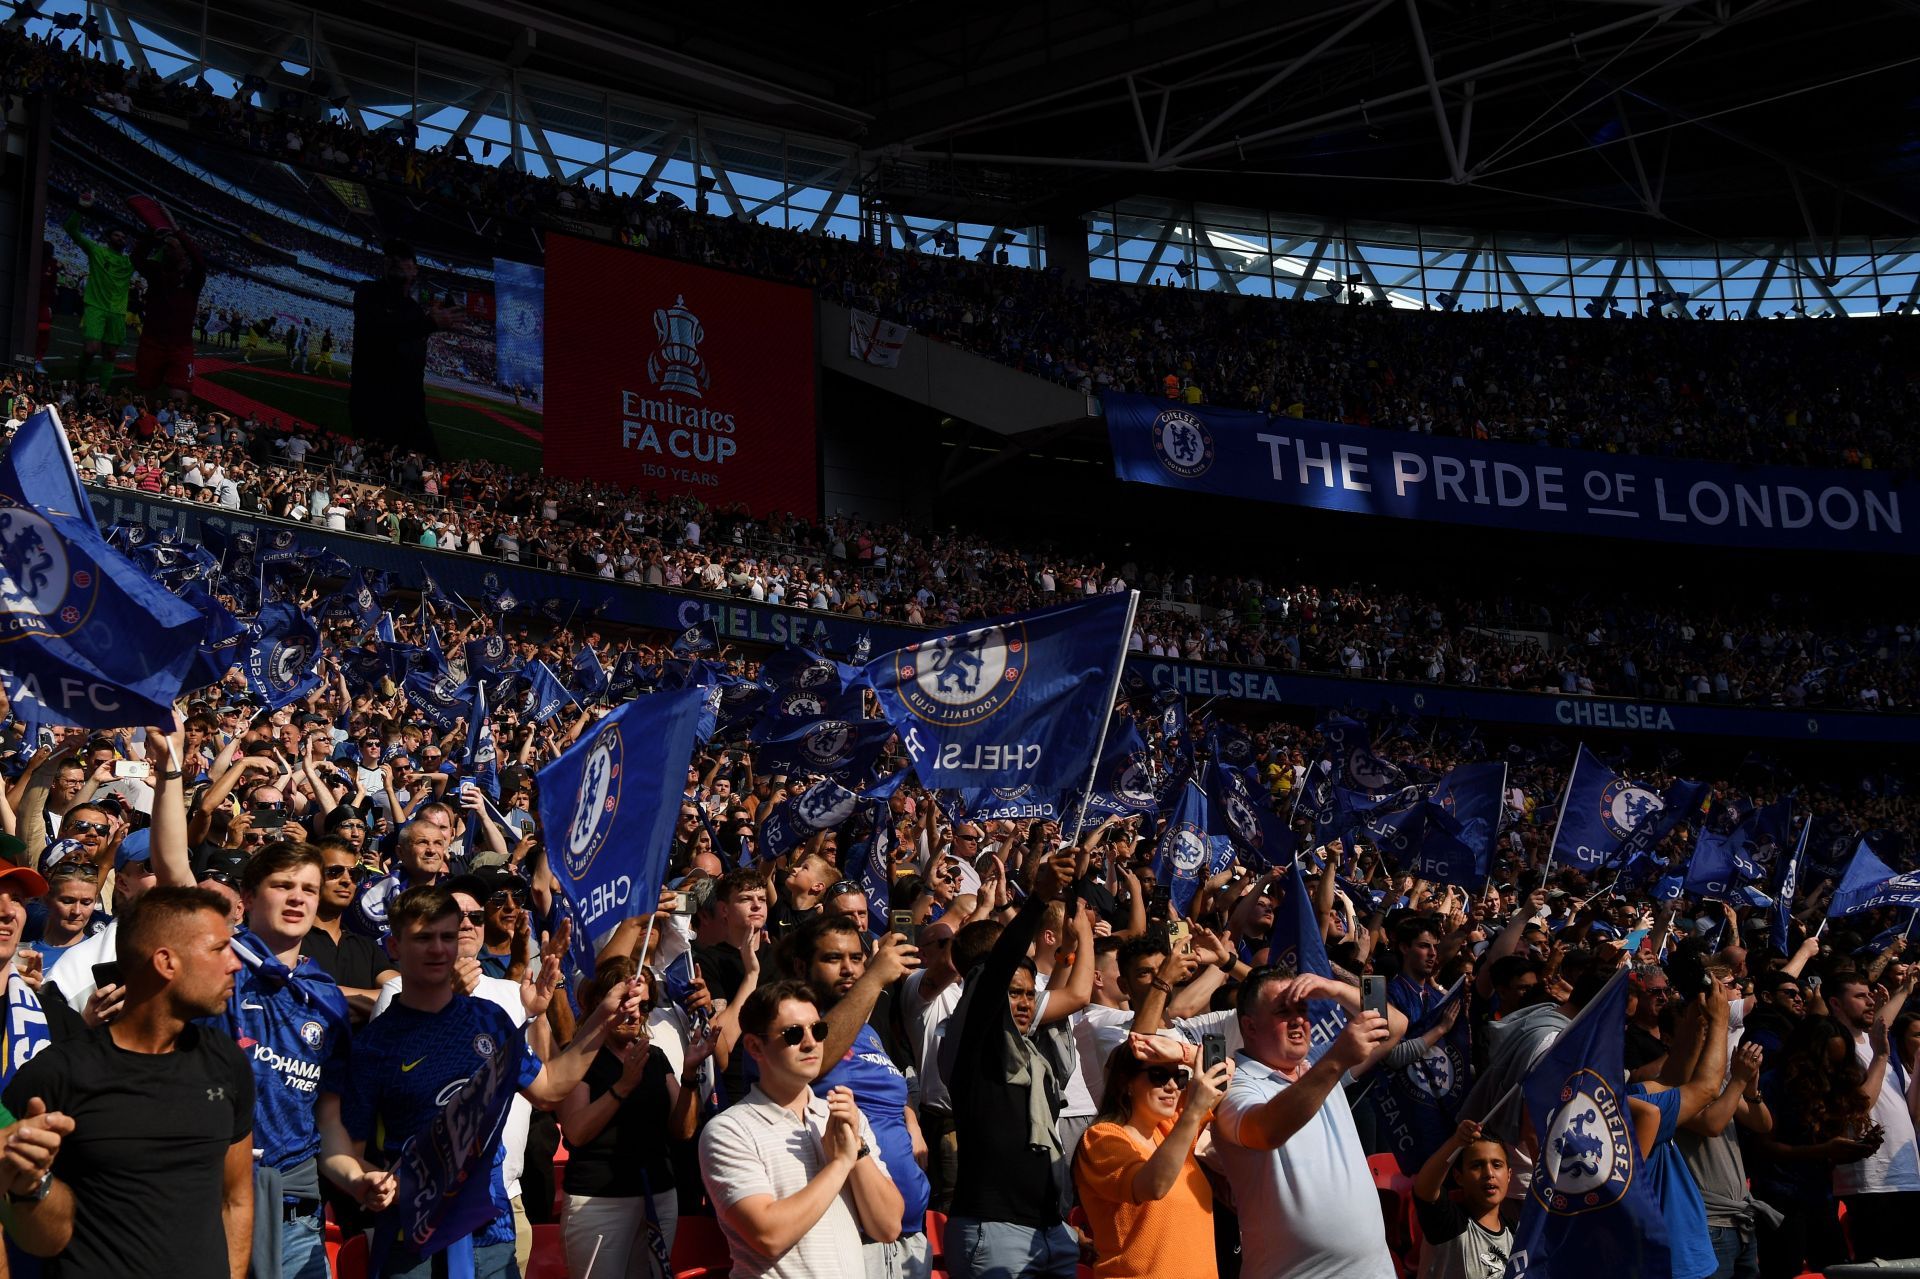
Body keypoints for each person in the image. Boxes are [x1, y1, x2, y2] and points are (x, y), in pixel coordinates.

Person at [4, 887, 255, 1279]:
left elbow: (236, 1200)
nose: (235, 964)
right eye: (219, 949)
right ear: (166, 962)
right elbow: (37, 1240)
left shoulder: (227, 1063)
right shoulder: (55, 1075)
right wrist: (30, 1184)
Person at [699, 979, 903, 1279]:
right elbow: (769, 1237)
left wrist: (857, 1150)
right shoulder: (729, 1130)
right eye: (793, 1033)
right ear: (755, 1046)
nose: (811, 1043)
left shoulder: (841, 1114)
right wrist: (840, 1163)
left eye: (818, 1030)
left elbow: (888, 1227)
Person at [941, 847, 1081, 1279]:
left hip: (1051, 1232)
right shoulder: (970, 1046)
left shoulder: (1035, 1057)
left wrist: (1070, 951)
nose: (1023, 1003)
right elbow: (995, 974)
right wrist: (1037, 900)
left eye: (1028, 994)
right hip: (995, 1233)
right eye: (1013, 993)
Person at [1211, 967, 1399, 1279]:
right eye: (1283, 1011)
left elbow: (1395, 1027)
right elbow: (1265, 1130)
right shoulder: (1231, 1086)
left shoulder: (1319, 1066)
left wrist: (1334, 990)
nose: (1299, 1019)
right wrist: (1336, 1060)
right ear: (1250, 1026)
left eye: (1303, 1009)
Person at [222, 843, 355, 1279]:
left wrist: (353, 1178)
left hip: (295, 1192)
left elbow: (328, 1114)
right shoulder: (217, 964)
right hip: (213, 1184)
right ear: (248, 897)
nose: (298, 897)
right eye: (282, 886)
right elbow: (173, 871)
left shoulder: (327, 996)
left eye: (309, 889)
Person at [788, 912, 931, 1277]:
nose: (849, 969)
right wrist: (873, 979)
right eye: (833, 959)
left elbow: (890, 1091)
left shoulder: (865, 1030)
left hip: (909, 1236)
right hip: (852, 1239)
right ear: (802, 966)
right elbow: (815, 1058)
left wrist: (910, 1119)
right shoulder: (790, 1028)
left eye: (857, 958)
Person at [554, 954, 712, 1279]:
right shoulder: (580, 1054)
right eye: (626, 1004)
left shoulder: (654, 1056)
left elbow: (682, 1131)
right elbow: (576, 1132)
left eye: (644, 1007)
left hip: (659, 1195)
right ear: (602, 1003)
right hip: (598, 1202)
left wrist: (691, 1075)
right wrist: (622, 1087)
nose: (636, 1015)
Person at [1072, 1036, 1233, 1279]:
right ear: (1126, 1082)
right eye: (1158, 1076)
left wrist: (1183, 1052)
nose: (1172, 1087)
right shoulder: (1101, 1139)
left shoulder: (1169, 1128)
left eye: (1178, 1077)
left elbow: (1227, 1073)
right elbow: (1154, 1186)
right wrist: (1192, 1112)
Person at [1823, 968, 1920, 1260]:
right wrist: (1880, 1057)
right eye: (1860, 996)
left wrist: (1905, 990)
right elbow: (1858, 1106)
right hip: (1870, 1183)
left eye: (1870, 995)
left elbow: (1881, 1025)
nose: (1870, 1002)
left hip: (1905, 1175)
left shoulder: (1873, 1042)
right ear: (1836, 1004)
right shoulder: (1837, 1046)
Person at [349, 240, 461, 451]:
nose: (395, 260)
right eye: (390, 255)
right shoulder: (367, 292)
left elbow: (414, 366)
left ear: (415, 270)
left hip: (409, 413)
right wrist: (429, 324)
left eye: (403, 256)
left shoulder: (415, 312)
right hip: (373, 407)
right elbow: (379, 333)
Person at [1409, 1120, 1512, 1279]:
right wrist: (1455, 1142)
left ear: (1509, 1175)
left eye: (1497, 1165)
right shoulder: (1448, 1223)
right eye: (1477, 1165)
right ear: (1458, 1176)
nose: (1489, 1173)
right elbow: (1424, 1190)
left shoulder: (1514, 1231)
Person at [62, 200, 133, 388]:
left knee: (110, 354)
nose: (121, 239)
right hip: (95, 307)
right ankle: (81, 377)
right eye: (117, 235)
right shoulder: (97, 251)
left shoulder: (129, 262)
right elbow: (70, 229)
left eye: (123, 237)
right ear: (109, 238)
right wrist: (80, 208)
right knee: (91, 349)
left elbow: (154, 261)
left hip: (117, 313)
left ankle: (102, 392)